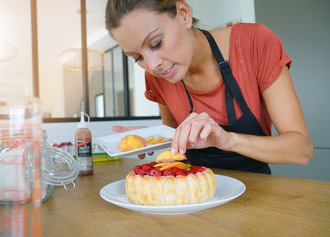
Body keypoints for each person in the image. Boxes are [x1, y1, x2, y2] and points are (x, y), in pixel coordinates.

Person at [105, 0, 313, 173]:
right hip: (194, 193)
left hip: (258, 195)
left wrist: (227, 140)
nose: (152, 65)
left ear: (184, 14)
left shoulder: (254, 43)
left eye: (156, 43)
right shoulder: (157, 76)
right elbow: (177, 141)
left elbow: (301, 150)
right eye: (137, 57)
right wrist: (155, 138)